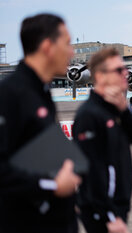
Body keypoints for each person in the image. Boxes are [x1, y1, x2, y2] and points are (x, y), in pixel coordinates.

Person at [0, 14, 81, 233]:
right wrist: (52, 185)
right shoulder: (10, 94)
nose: (72, 52)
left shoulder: (40, 92)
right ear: (47, 47)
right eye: (67, 43)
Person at [72, 48, 132, 233]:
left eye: (125, 69)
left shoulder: (116, 107)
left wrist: (125, 110)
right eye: (119, 70)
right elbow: (92, 173)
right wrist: (109, 217)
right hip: (102, 214)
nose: (126, 74)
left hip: (118, 208)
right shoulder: (88, 115)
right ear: (100, 76)